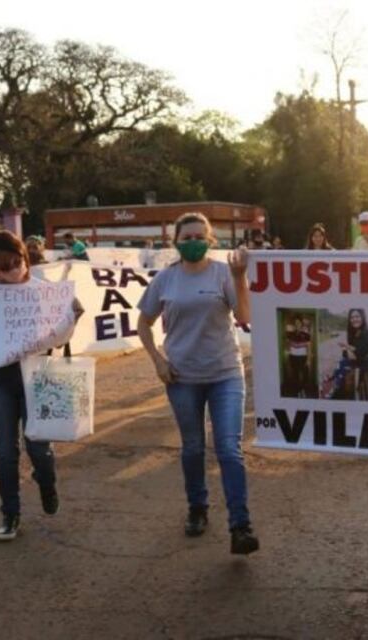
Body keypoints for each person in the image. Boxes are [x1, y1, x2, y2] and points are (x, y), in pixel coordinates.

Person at [137, 212, 259, 555]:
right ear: (175, 242)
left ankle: (240, 525)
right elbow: (143, 323)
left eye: (199, 236)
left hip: (225, 374)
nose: (193, 242)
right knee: (192, 447)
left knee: (229, 449)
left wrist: (240, 278)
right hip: (182, 377)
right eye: (186, 237)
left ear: (211, 240)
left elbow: (244, 317)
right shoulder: (165, 280)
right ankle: (197, 507)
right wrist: (158, 361)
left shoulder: (224, 273)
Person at [0, 231, 60, 541]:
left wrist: (71, 314)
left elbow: (65, 328)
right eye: (3, 266)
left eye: (16, 261)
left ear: (25, 257)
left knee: (39, 448)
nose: (12, 269)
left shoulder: (45, 291)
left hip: (37, 376)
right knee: (6, 451)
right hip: (1, 380)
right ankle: (10, 512)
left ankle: (46, 482)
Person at [338, 308, 368, 400]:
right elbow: (351, 351)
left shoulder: (367, 333)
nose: (354, 319)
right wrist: (348, 348)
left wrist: (346, 348)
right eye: (352, 317)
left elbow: (354, 356)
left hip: (363, 369)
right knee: (341, 365)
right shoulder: (354, 332)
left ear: (362, 317)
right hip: (356, 364)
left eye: (357, 316)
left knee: (345, 384)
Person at [284, 316, 313, 397]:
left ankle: (303, 390)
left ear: (301, 324)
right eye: (295, 323)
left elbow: (309, 348)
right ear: (294, 325)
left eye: (298, 323)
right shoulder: (290, 334)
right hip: (293, 357)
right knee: (295, 375)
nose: (297, 325)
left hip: (303, 358)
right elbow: (288, 346)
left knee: (305, 375)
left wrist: (308, 360)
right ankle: (298, 391)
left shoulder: (306, 334)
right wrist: (287, 356)